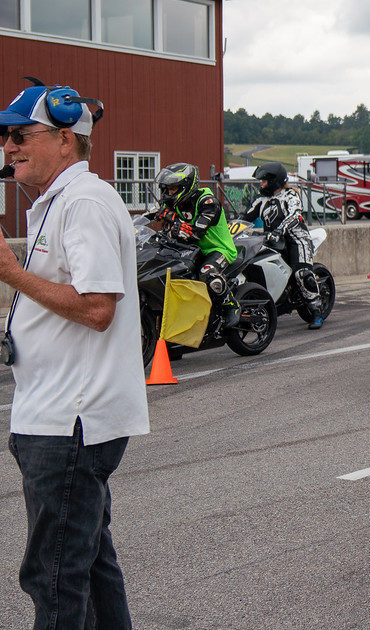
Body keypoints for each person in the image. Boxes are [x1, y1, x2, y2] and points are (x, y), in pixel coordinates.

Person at [0, 80, 148, 629]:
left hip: (70, 421)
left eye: (20, 135)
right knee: (88, 564)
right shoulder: (63, 201)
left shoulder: (82, 202)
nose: (9, 146)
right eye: (6, 137)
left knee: (54, 577)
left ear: (66, 141)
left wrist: (12, 274)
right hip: (59, 415)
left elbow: (96, 308)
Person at [153, 162, 241, 325]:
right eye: (168, 189)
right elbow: (153, 215)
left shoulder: (208, 202)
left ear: (186, 186)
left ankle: (230, 304)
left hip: (217, 249)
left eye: (174, 188)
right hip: (191, 250)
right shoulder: (173, 203)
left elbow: (194, 233)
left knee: (206, 272)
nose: (169, 193)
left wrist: (171, 218)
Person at [243, 161, 325, 328]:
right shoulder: (261, 200)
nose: (261, 184)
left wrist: (279, 231)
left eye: (264, 181)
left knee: (301, 273)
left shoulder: (291, 195)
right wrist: (231, 228)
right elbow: (244, 218)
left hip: (296, 239)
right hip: (271, 241)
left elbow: (294, 216)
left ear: (274, 180)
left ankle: (316, 310)